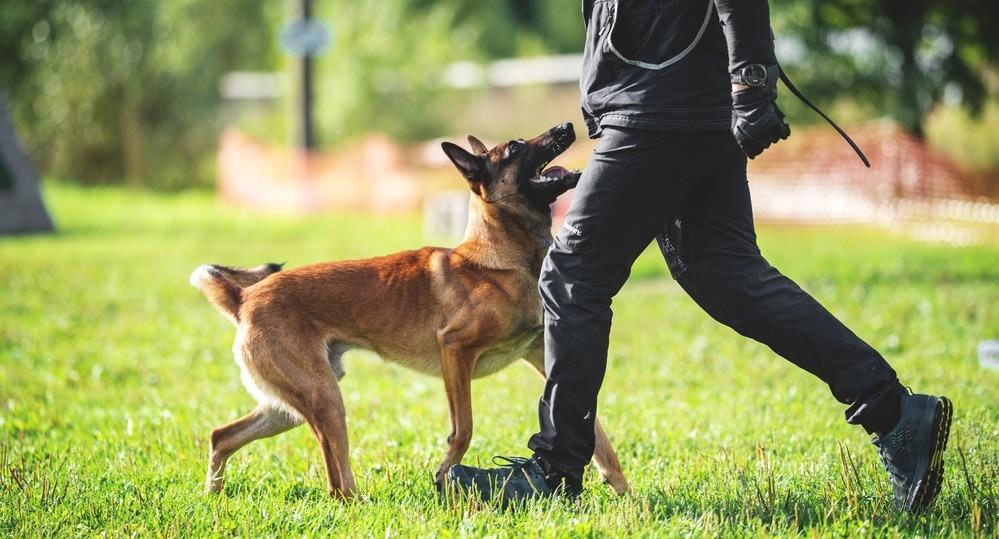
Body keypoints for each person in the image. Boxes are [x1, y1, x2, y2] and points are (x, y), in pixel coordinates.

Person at [445, 0, 952, 512]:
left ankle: (554, 471)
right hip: (677, 99)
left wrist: (752, 81)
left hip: (658, 103)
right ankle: (895, 414)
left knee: (572, 274)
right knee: (727, 277)